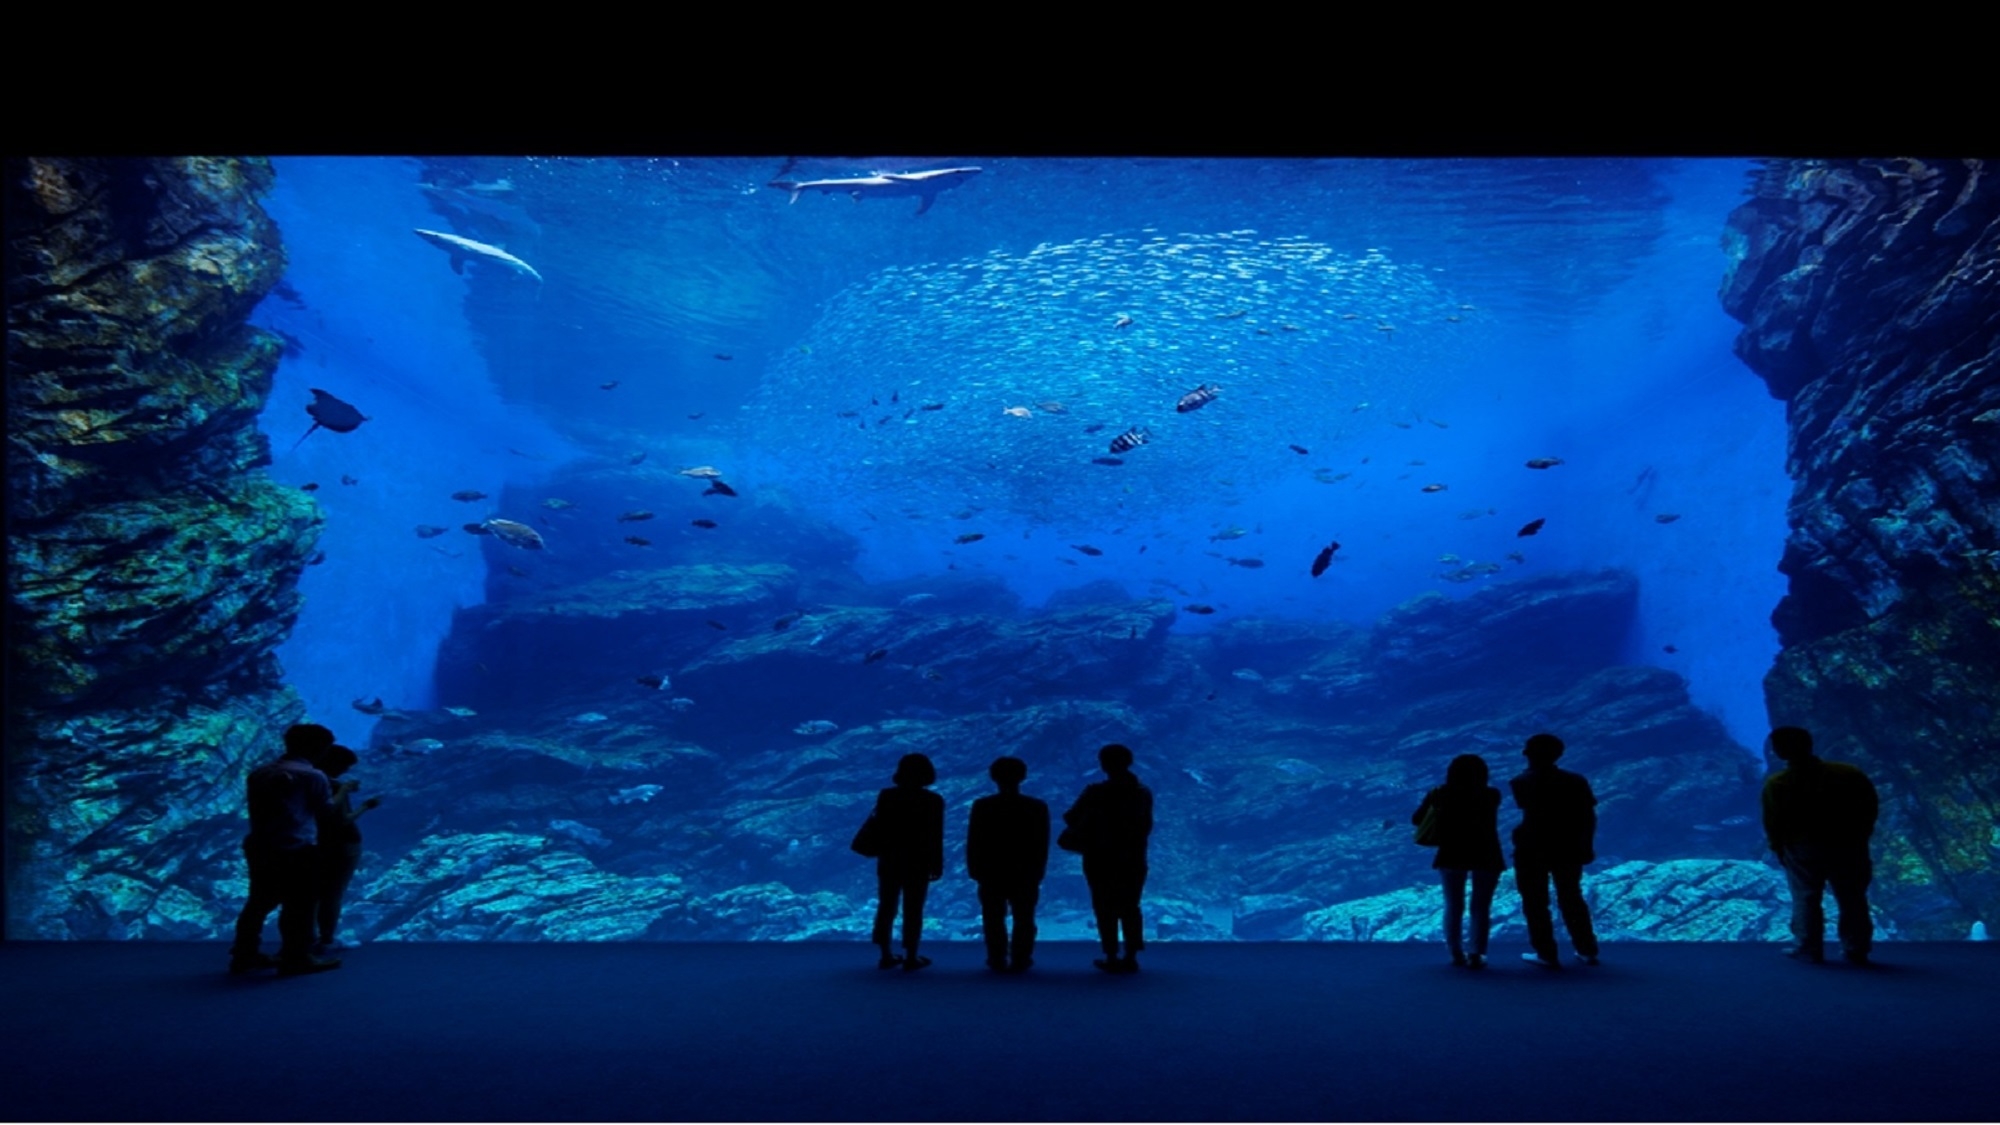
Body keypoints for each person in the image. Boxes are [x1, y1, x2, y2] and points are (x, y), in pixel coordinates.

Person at [1761, 726, 1879, 965]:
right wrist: (1861, 835)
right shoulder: (1849, 773)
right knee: (1853, 897)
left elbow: (1773, 820)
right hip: (1848, 844)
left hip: (1803, 848)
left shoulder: (1778, 783)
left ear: (1779, 751)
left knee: (1806, 897)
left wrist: (1778, 847)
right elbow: (1869, 806)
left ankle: (1808, 947)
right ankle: (1856, 948)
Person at [230, 723, 341, 976]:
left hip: (261, 846)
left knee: (258, 902)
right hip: (297, 847)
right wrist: (341, 791)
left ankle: (244, 954)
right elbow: (326, 812)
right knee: (299, 905)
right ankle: (296, 957)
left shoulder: (260, 773)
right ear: (317, 747)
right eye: (326, 747)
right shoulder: (313, 776)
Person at [1510, 733, 1600, 969]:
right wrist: (1587, 844)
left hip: (1531, 847)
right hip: (1568, 845)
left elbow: (1531, 813)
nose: (1524, 753)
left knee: (1534, 901)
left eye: (1527, 749)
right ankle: (1587, 949)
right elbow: (1588, 816)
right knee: (1572, 897)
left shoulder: (1521, 781)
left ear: (1530, 753)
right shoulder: (1576, 780)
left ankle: (1546, 953)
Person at [1063, 743, 1154, 974]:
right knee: (1130, 906)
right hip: (1132, 857)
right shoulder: (1142, 793)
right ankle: (1131, 955)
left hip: (1099, 857)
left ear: (1103, 764)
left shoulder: (1095, 792)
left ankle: (1111, 954)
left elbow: (1071, 817)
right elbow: (1145, 826)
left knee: (1104, 906)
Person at [1412, 754, 1507, 969]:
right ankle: (1477, 953)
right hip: (1487, 852)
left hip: (1452, 852)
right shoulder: (1492, 794)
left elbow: (1416, 819)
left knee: (1454, 905)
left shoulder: (1440, 793)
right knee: (1481, 906)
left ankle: (1455, 952)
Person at [967, 756, 1050, 973]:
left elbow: (974, 839)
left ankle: (996, 956)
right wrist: (1039, 869)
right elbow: (1042, 842)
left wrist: (974, 867)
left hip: (991, 870)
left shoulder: (982, 806)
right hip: (1025, 870)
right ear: (1023, 776)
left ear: (993, 777)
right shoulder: (1037, 807)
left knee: (992, 915)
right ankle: (1021, 957)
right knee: (1025, 916)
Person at [868, 753, 945, 972]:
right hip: (919, 860)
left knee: (886, 906)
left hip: (890, 858)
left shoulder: (887, 796)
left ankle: (885, 954)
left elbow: (880, 827)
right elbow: (935, 836)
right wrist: (937, 864)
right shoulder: (933, 800)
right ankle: (911, 956)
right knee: (914, 908)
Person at [312, 745, 380, 956]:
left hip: (318, 843)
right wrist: (366, 806)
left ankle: (311, 937)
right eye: (344, 766)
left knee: (315, 893)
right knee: (333, 894)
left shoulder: (309, 781)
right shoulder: (333, 786)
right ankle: (327, 939)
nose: (345, 771)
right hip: (342, 844)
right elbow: (342, 820)